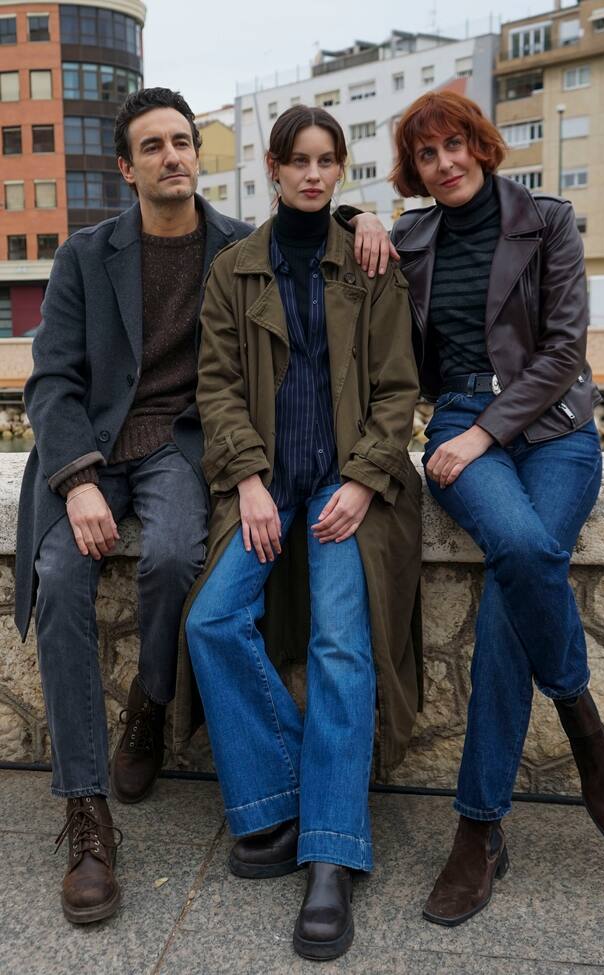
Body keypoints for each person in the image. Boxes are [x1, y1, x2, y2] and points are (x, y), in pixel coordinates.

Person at [14, 84, 395, 925]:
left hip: (180, 450)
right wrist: (76, 479)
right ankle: (86, 813)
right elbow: (51, 380)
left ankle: (152, 703)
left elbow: (309, 220)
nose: (172, 156)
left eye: (182, 141)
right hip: (93, 450)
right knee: (62, 577)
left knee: (177, 554)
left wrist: (361, 214)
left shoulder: (233, 245)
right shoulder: (84, 255)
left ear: (199, 154)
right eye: (152, 146)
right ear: (127, 168)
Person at [389, 90, 604, 927]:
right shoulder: (409, 240)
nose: (445, 163)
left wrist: (487, 432)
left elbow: (565, 348)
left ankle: (479, 828)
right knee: (528, 553)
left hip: (556, 427)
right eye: (427, 155)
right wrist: (356, 218)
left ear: (482, 145)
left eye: (455, 144)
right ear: (414, 170)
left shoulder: (547, 221)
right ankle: (582, 719)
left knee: (513, 582)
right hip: (459, 420)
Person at [184, 104, 422, 961]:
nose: (314, 174)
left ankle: (329, 853)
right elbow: (216, 386)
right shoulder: (234, 270)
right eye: (299, 161)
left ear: (339, 167)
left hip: (348, 487)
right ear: (273, 169)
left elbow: (398, 390)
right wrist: (248, 479)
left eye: (328, 161)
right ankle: (287, 798)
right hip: (267, 483)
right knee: (211, 619)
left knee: (339, 643)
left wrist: (361, 480)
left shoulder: (369, 260)